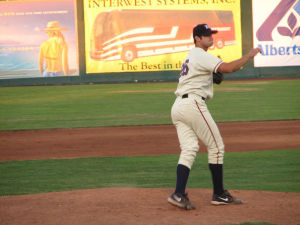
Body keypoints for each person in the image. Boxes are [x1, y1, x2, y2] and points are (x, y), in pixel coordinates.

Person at [168, 24, 261, 210]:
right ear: (197, 39)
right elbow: (228, 68)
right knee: (216, 146)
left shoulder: (192, 56)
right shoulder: (199, 54)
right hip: (193, 104)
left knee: (189, 148)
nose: (210, 37)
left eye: (211, 34)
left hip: (178, 106)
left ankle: (178, 194)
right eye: (206, 35)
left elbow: (212, 75)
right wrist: (249, 56)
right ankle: (219, 194)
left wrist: (212, 75)